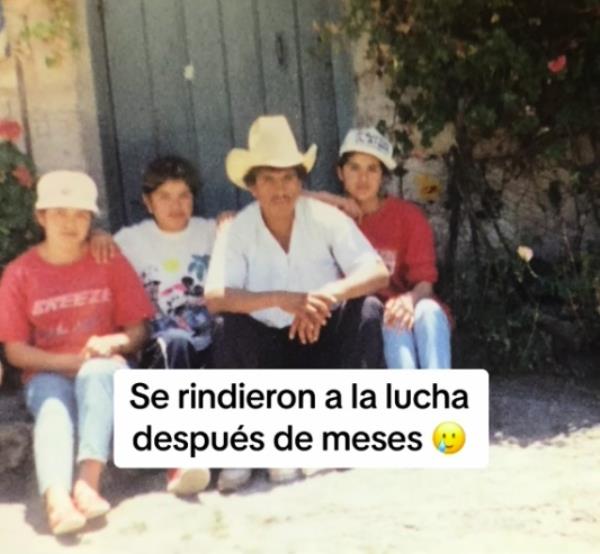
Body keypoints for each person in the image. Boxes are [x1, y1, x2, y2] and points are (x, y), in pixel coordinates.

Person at [204, 115, 390, 490]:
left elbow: (376, 271)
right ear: (253, 186)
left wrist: (327, 295)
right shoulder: (240, 227)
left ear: (300, 182)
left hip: (318, 338)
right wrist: (281, 300)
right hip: (268, 352)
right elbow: (214, 296)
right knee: (227, 324)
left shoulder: (323, 217)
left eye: (288, 177)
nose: (280, 188)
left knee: (368, 309)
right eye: (269, 179)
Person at [0, 171, 153, 535]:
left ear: (91, 220)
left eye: (81, 215)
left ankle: (87, 484)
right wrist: (68, 362)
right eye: (60, 213)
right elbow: (16, 351)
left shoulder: (108, 260)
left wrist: (113, 344)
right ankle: (56, 499)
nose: (71, 223)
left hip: (103, 370)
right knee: (52, 408)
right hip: (48, 372)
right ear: (41, 217)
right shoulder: (20, 275)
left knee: (97, 373)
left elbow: (138, 330)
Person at [96, 155, 215, 496]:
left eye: (184, 195)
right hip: (160, 346)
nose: (176, 205)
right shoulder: (131, 240)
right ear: (148, 202)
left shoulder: (210, 231)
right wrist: (97, 236)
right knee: (174, 342)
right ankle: (179, 461)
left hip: (207, 338)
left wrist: (227, 220)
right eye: (165, 196)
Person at [310, 127, 452, 369]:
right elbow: (283, 198)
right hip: (367, 324)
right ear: (340, 172)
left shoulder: (407, 217)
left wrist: (409, 300)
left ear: (382, 176)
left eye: (372, 169)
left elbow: (425, 283)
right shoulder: (330, 218)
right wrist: (334, 200)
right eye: (354, 167)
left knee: (428, 311)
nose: (362, 178)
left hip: (410, 309)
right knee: (392, 324)